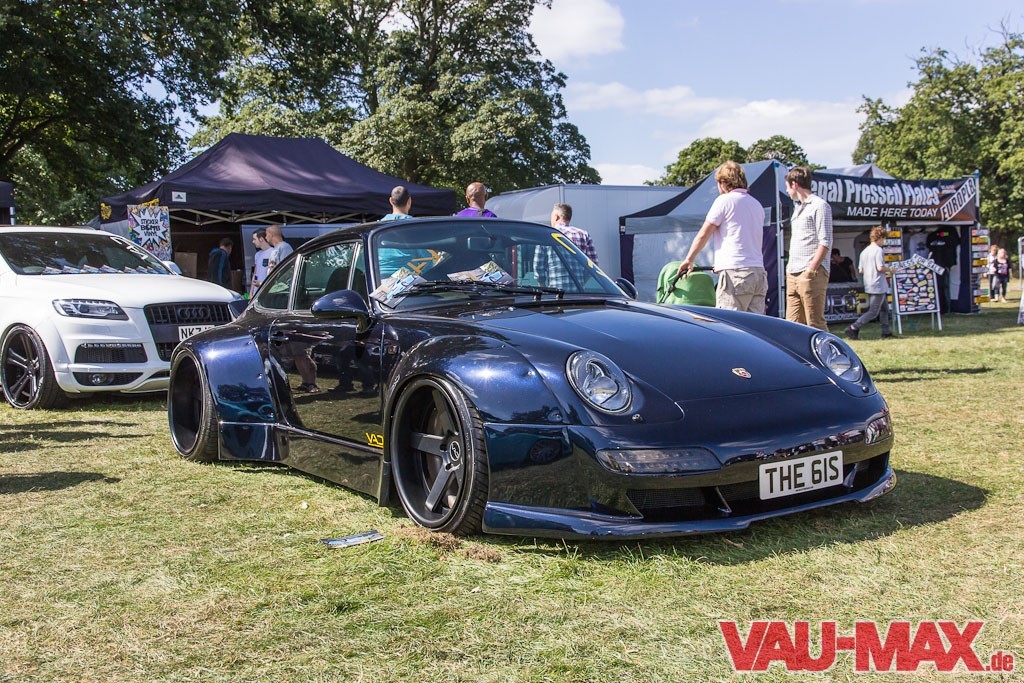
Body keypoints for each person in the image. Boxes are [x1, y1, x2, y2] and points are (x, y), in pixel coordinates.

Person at [676, 161, 767, 313]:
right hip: (758, 273)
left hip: (736, 274)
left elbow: (704, 234)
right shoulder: (756, 204)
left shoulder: (724, 201)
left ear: (724, 183)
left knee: (729, 323)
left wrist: (689, 259)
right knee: (754, 324)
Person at [785, 166, 833, 330]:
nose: (787, 191)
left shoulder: (820, 206)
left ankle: (827, 347)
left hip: (811, 272)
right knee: (791, 326)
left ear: (794, 184)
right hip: (793, 272)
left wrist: (811, 269)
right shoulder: (798, 208)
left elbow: (825, 241)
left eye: (787, 186)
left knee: (815, 323)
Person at [533, 203, 598, 289]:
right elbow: (593, 263)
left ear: (556, 217)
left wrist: (542, 284)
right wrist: (581, 281)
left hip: (556, 291)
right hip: (578, 292)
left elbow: (538, 265)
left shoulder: (546, 235)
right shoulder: (583, 234)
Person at [846, 226, 892, 340]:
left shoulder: (864, 251)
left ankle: (886, 331)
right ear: (879, 238)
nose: (884, 241)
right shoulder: (878, 250)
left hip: (869, 283)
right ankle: (853, 327)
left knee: (884, 309)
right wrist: (891, 269)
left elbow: (861, 270)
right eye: (884, 239)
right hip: (878, 284)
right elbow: (880, 268)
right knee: (873, 312)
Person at [250, 229, 273, 297]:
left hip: (267, 292)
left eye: (254, 239)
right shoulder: (257, 254)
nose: (253, 241)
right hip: (256, 293)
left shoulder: (273, 253)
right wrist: (251, 292)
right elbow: (255, 273)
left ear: (261, 239)